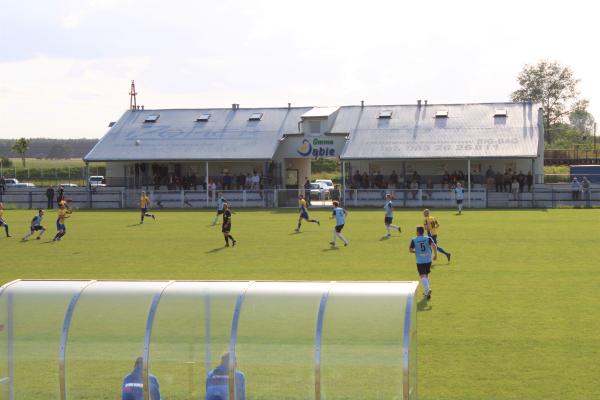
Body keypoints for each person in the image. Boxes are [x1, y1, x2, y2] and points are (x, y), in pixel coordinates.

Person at [409, 226, 438, 300]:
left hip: (420, 260)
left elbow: (410, 250)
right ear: (423, 232)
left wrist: (416, 251)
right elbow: (434, 246)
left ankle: (428, 289)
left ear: (418, 232)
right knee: (426, 276)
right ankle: (426, 294)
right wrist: (435, 255)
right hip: (428, 260)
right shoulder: (428, 238)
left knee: (422, 276)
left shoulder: (414, 240)